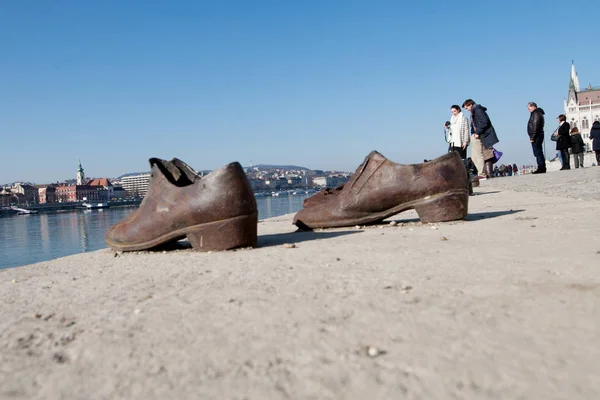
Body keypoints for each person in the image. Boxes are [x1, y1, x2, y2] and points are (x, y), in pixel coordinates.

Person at [462, 99, 500, 179]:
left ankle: (482, 174)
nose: (467, 110)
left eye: (466, 108)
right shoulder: (475, 111)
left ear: (470, 104)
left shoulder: (478, 110)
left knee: (478, 155)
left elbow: (484, 121)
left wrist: (477, 132)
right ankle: (481, 173)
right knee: (474, 156)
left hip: (478, 134)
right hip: (475, 134)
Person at [527, 102, 546, 174]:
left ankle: (541, 167)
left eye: (529, 108)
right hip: (538, 135)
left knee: (538, 152)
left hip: (537, 136)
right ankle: (541, 167)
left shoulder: (535, 113)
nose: (528, 110)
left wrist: (532, 137)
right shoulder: (538, 113)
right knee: (538, 152)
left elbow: (535, 125)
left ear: (533, 107)